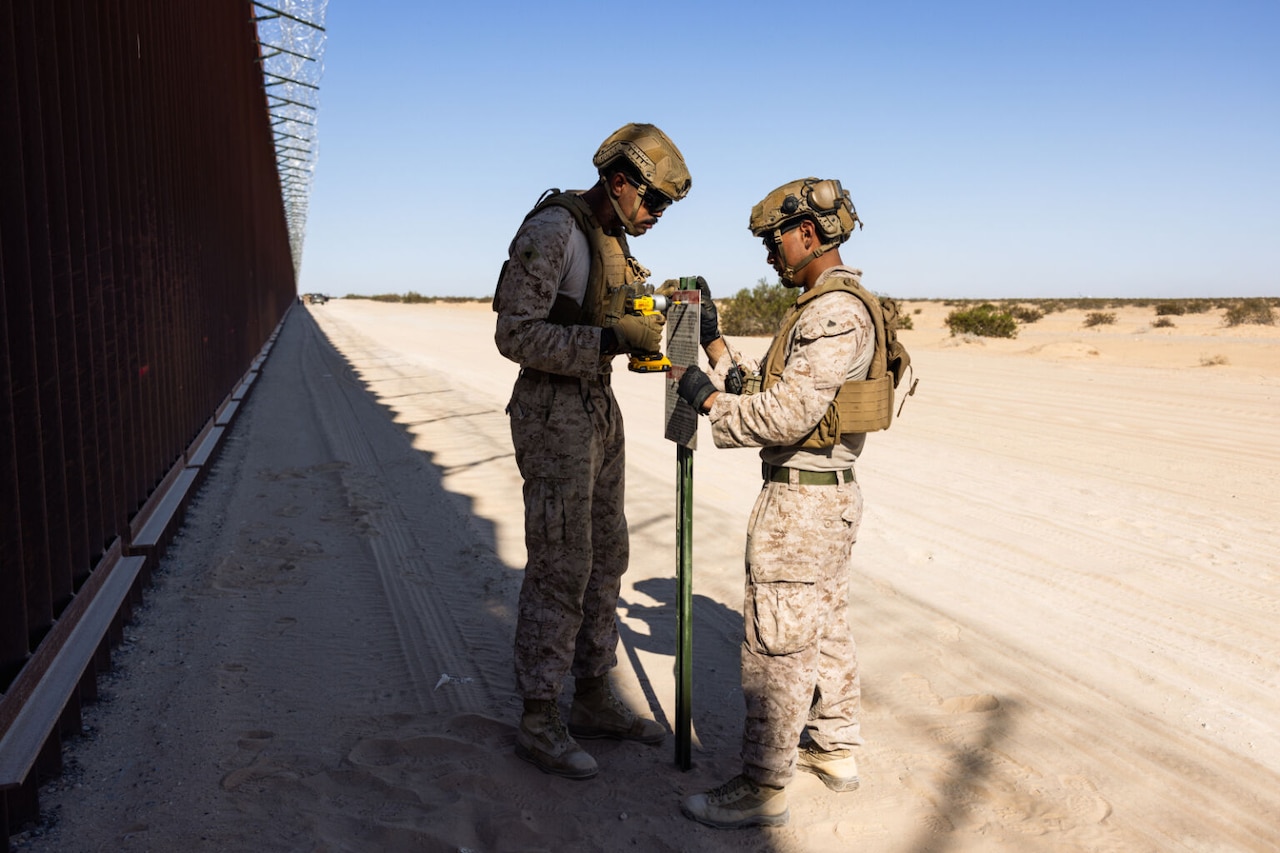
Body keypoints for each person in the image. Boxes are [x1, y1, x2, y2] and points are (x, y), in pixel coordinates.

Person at [494, 123, 722, 780]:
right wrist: (605, 340)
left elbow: (625, 313)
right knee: (562, 561)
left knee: (606, 555)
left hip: (597, 404)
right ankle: (541, 713)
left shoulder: (612, 240)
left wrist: (671, 312)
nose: (656, 216)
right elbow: (515, 334)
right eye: (653, 201)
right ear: (620, 182)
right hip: (553, 405)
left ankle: (592, 694)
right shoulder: (554, 230)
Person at [676, 177, 892, 828]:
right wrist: (716, 349)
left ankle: (763, 784)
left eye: (775, 241)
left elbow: (787, 413)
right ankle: (834, 745)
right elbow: (774, 386)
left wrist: (709, 403)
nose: (771, 255)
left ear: (807, 234)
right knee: (822, 622)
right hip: (826, 496)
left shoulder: (831, 312)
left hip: (802, 503)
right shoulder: (830, 304)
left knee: (776, 644)